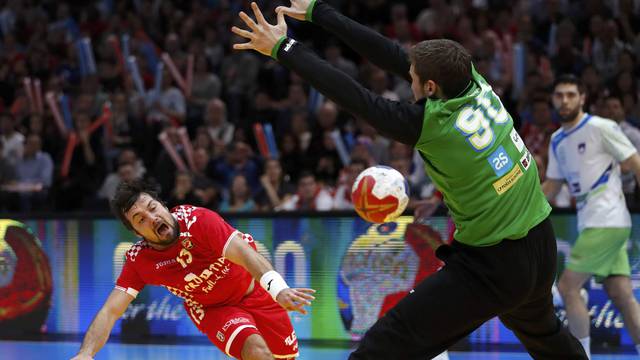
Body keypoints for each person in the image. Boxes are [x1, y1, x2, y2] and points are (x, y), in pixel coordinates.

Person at [232, 1, 587, 359]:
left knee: (383, 345)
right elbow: (391, 55)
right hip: (540, 240)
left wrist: (283, 47)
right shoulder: (473, 82)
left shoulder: (432, 125)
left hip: (493, 262)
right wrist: (317, 13)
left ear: (430, 87)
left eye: (414, 79)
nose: (409, 80)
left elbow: (352, 95)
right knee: (546, 335)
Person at [71, 180, 315, 360]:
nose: (152, 217)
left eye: (152, 208)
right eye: (140, 219)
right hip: (212, 308)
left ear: (164, 206)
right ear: (137, 233)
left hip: (256, 292)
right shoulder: (139, 260)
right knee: (257, 351)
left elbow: (247, 255)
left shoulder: (199, 221)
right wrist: (85, 353)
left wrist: (278, 289)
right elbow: (110, 311)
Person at [542, 75, 640, 359]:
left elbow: (634, 163)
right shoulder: (557, 139)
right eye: (559, 95)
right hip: (593, 222)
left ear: (582, 98)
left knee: (567, 286)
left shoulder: (601, 127)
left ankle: (579, 356)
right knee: (621, 294)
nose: (565, 100)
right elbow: (552, 186)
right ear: (553, 99)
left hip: (607, 219)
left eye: (571, 94)